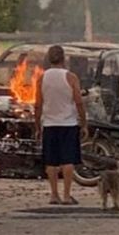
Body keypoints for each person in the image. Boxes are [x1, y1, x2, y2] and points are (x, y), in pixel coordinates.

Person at [34, 45, 88, 205]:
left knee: (51, 161)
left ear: (49, 59)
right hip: (68, 123)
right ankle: (66, 194)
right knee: (68, 160)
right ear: (64, 58)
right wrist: (84, 122)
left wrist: (37, 125)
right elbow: (78, 101)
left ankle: (53, 194)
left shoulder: (42, 78)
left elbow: (38, 104)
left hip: (49, 123)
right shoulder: (71, 77)